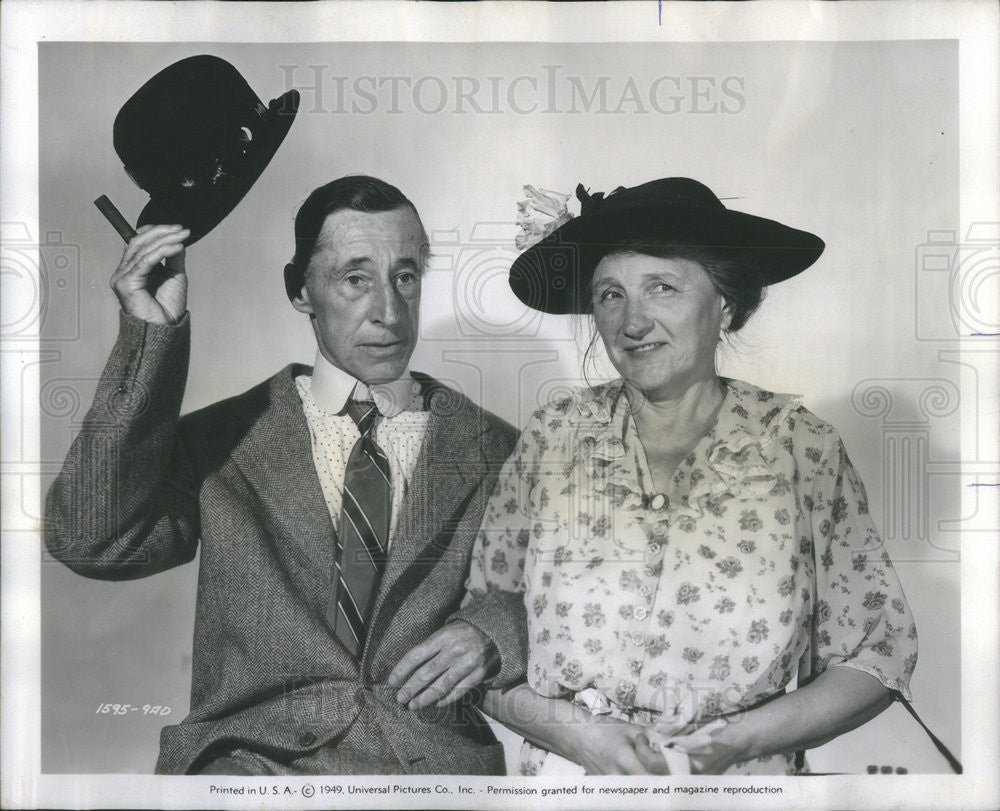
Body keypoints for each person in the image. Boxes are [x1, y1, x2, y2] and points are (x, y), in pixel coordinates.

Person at [44, 175, 527, 775]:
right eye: (356, 279)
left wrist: (494, 633)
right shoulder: (223, 441)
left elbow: (561, 593)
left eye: (405, 276)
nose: (389, 310)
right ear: (300, 290)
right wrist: (151, 337)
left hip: (432, 773)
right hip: (253, 770)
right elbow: (91, 541)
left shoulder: (493, 447)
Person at [467, 177, 918, 775]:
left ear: (725, 304)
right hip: (570, 788)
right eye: (610, 294)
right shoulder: (554, 438)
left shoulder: (799, 447)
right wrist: (575, 736)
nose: (633, 321)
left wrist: (739, 740)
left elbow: (876, 655)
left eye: (663, 288)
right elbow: (478, 648)